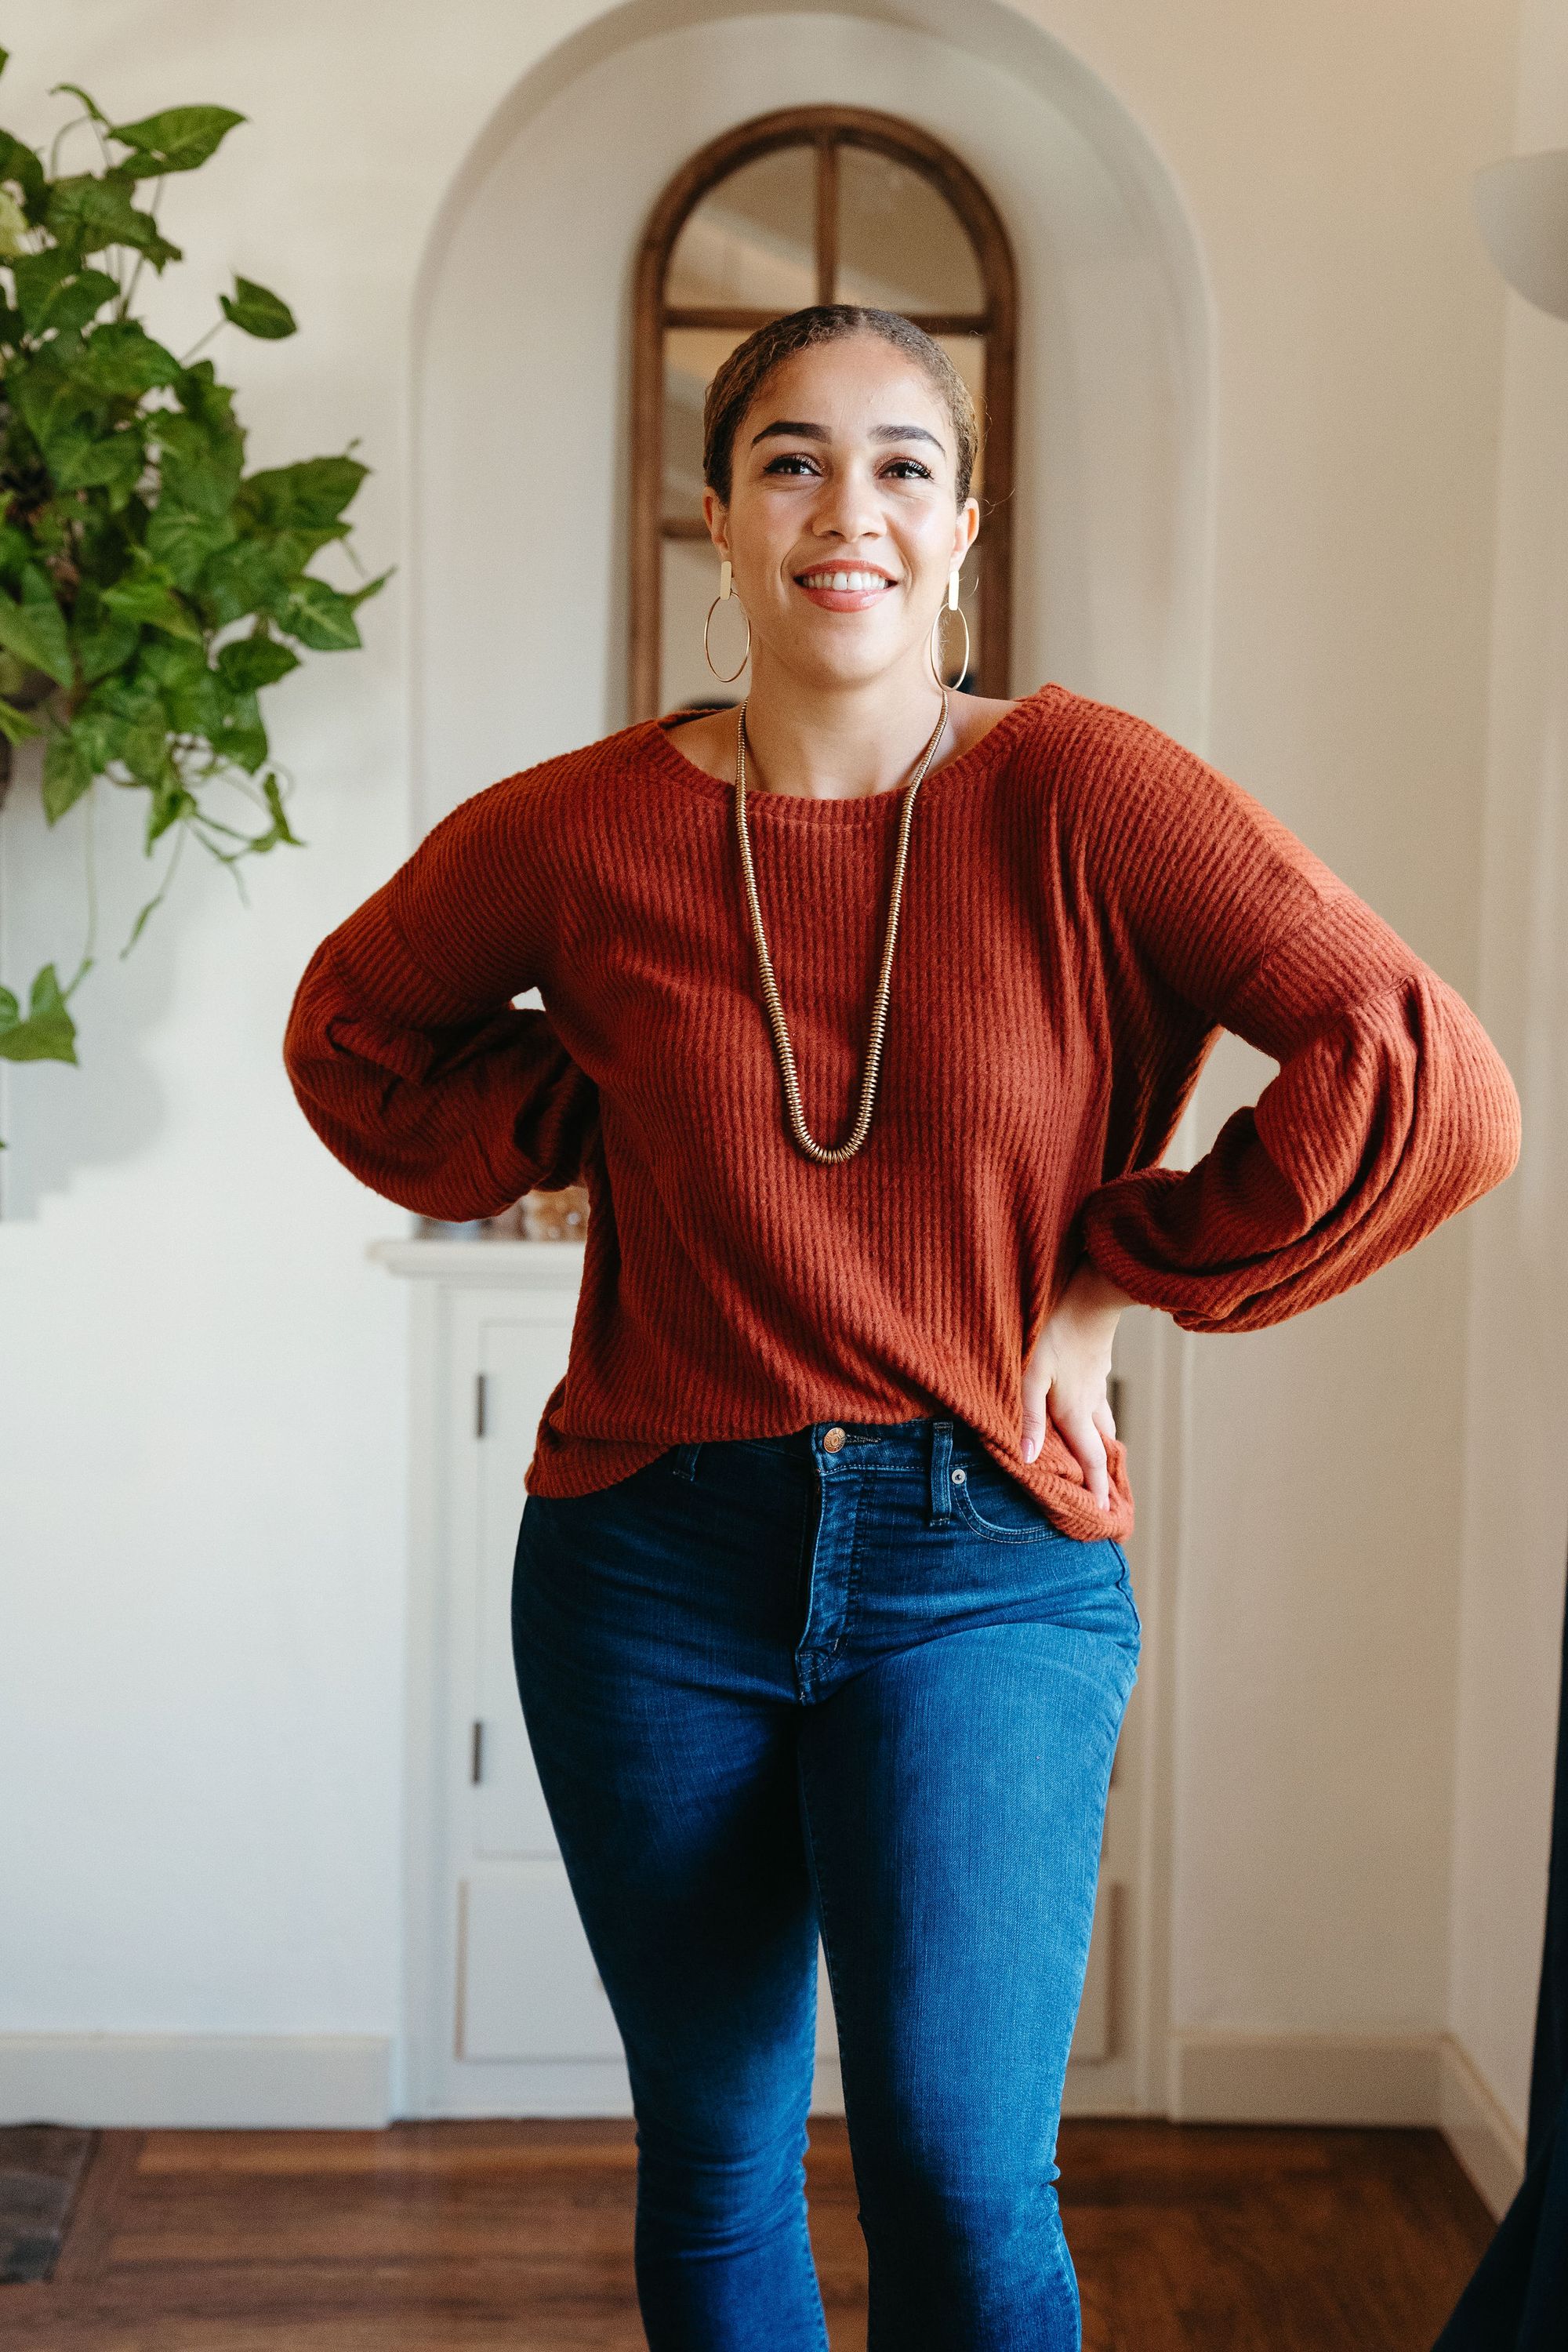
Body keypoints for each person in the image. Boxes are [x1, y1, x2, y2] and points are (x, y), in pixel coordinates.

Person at [283, 303, 1523, 2351]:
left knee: (958, 2177)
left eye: (899, 466)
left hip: (987, 1568)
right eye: (788, 458)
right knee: (714, 2156)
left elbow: (1427, 1075)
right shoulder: (587, 828)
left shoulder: (1085, 791)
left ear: (965, 529)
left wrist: (1131, 1265)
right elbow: (351, 1032)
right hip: (647, 1563)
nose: (843, 507)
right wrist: (562, 1108)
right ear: (716, 517)